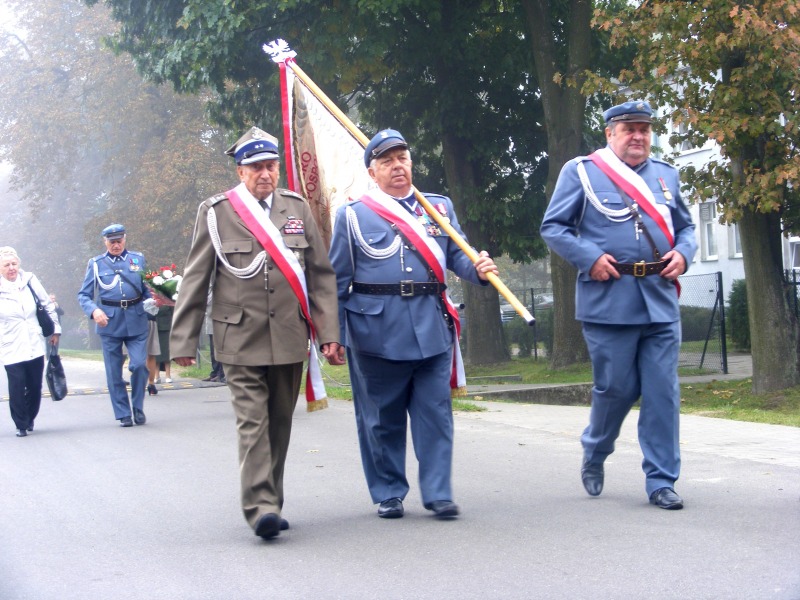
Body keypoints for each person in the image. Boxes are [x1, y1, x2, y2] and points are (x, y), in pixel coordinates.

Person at [169, 126, 343, 540]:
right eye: (256, 167)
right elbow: (196, 276)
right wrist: (183, 340)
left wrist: (328, 333)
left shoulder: (296, 208)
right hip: (239, 337)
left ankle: (272, 501)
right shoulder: (217, 212)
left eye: (271, 166)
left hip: (288, 335)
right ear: (240, 170)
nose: (265, 174)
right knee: (253, 424)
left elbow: (320, 275)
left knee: (279, 423)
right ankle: (260, 507)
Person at [328, 129, 498, 520]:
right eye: (386, 161)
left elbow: (458, 256)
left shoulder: (437, 208)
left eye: (402, 157)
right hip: (375, 331)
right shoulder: (353, 215)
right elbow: (336, 281)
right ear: (372, 172)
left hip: (431, 326)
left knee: (435, 415)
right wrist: (333, 335)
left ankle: (438, 492)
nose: (397, 166)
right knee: (381, 419)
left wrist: (481, 270)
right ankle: (388, 492)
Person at [540, 101, 698, 510]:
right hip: (609, 299)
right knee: (616, 389)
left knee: (663, 392)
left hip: (660, 298)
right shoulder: (582, 172)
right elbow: (553, 227)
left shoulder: (666, 175)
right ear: (610, 133)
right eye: (629, 129)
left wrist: (684, 251)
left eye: (644, 129)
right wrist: (588, 256)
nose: (638, 136)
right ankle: (595, 448)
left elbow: (686, 228)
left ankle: (661, 481)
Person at [77, 224, 154, 427]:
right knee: (113, 372)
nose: (116, 245)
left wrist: (155, 299)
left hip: (136, 319)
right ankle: (123, 413)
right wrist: (94, 310)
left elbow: (146, 288)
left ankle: (137, 406)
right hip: (109, 321)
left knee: (138, 365)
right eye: (112, 242)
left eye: (119, 241)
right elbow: (83, 295)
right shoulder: (96, 264)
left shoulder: (137, 259)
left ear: (125, 239)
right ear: (105, 242)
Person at [0, 247, 61, 436]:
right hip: (10, 343)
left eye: (14, 264)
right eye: (6, 265)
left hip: (34, 340)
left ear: (19, 264)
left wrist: (55, 330)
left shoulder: (30, 281)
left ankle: (30, 417)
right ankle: (21, 424)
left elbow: (47, 305)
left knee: (35, 385)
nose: (11, 268)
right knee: (17, 384)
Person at [202, 289, 225, 383]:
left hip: (217, 323)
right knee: (212, 351)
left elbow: (208, 301)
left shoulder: (216, 288)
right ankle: (215, 372)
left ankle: (221, 374)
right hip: (210, 323)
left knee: (218, 349)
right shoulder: (209, 288)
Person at [154, 304, 174, 383]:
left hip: (166, 328)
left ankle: (168, 375)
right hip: (154, 327)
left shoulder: (167, 299)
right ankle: (156, 376)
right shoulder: (150, 297)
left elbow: (173, 313)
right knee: (155, 352)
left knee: (166, 352)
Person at [145, 311, 160, 396]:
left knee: (133, 352)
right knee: (151, 353)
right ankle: (151, 384)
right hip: (148, 316)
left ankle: (139, 384)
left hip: (131, 319)